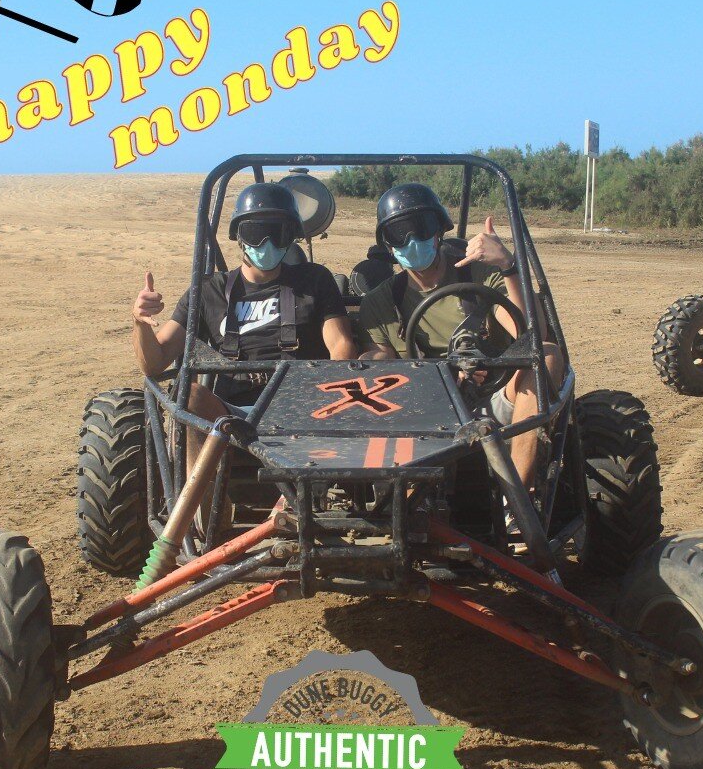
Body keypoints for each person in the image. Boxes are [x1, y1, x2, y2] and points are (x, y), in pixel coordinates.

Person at [133, 182, 357, 525]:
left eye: (277, 233)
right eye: (256, 233)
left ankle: (300, 500)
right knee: (187, 395)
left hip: (303, 398)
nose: (266, 245)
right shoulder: (210, 290)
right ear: (239, 236)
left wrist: (329, 391)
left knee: (341, 385)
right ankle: (208, 524)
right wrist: (141, 323)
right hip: (232, 409)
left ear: (292, 236)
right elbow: (154, 362)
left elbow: (340, 346)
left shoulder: (314, 280)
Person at [357, 182, 563, 488]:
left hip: (495, 398)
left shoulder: (480, 275)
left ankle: (519, 497)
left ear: (439, 231)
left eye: (421, 228)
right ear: (387, 244)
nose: (412, 240)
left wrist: (508, 265)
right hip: (422, 406)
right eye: (399, 233)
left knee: (546, 354)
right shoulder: (380, 301)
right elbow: (378, 358)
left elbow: (532, 333)